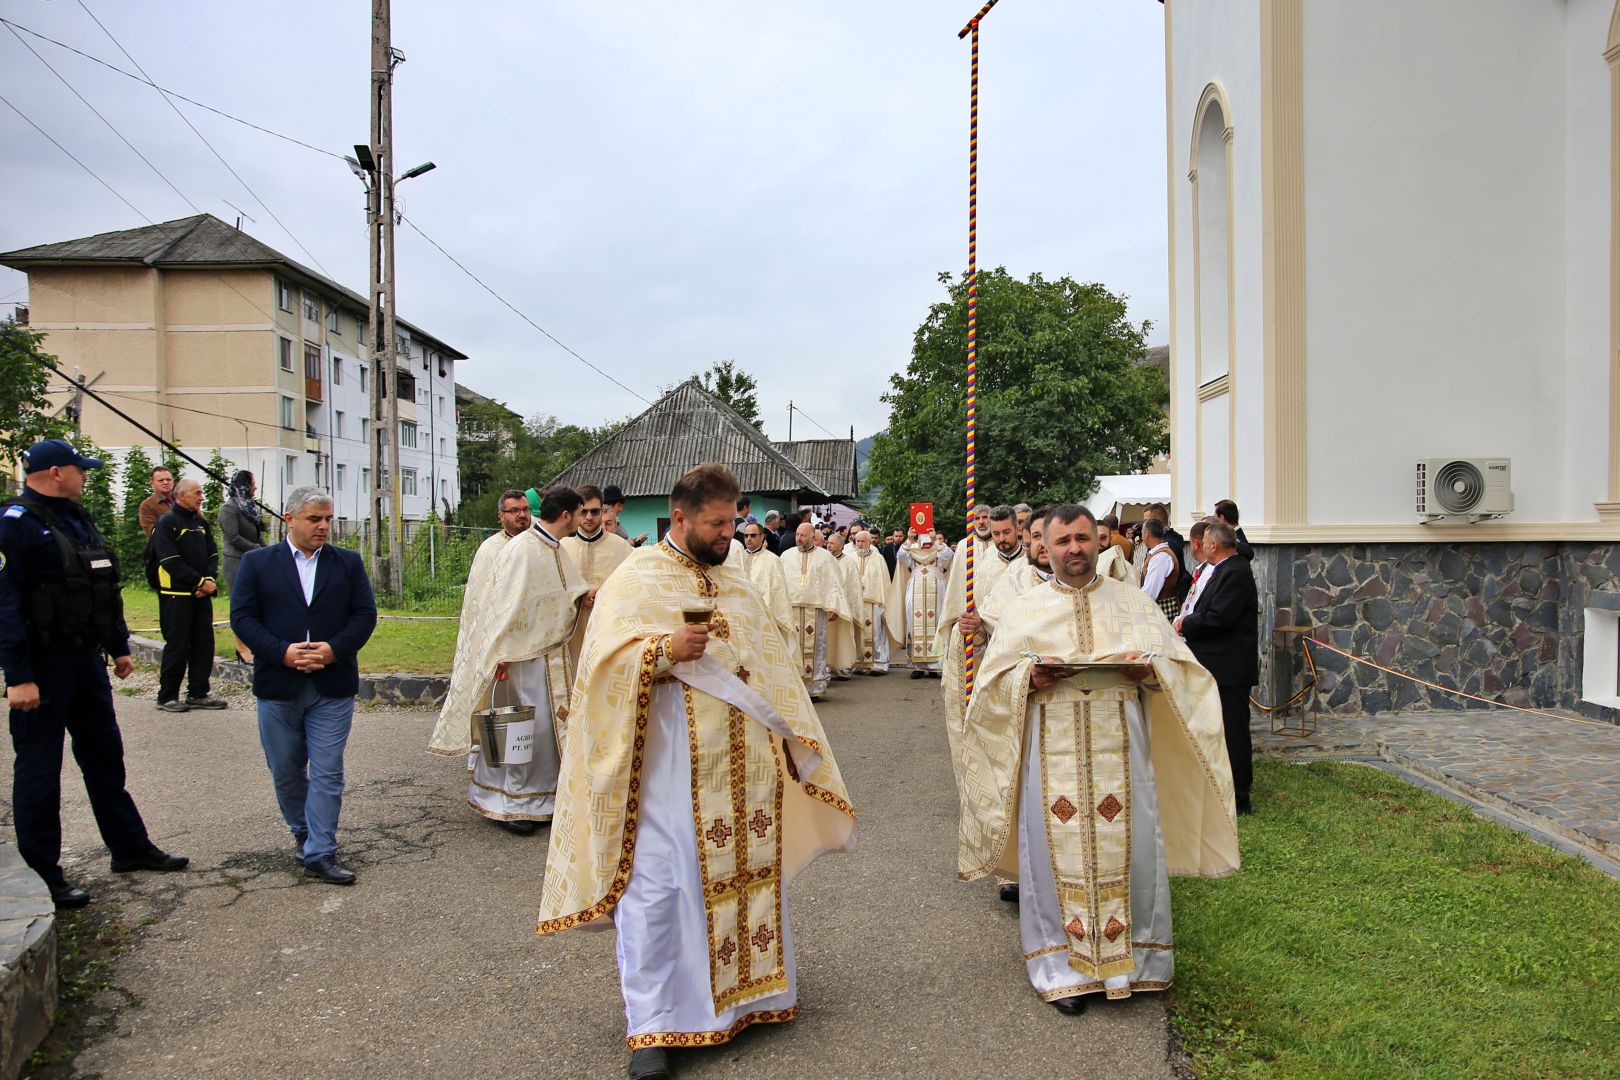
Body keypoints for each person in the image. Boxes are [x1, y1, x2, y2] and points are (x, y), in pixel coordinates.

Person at [537, 464, 856, 1080]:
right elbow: (601, 667)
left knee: (746, 875)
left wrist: (791, 738)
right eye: (716, 522)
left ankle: (749, 999)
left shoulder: (733, 571)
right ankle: (653, 1025)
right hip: (664, 768)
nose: (727, 532)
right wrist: (660, 653)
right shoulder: (638, 576)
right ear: (679, 518)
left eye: (733, 520)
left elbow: (768, 659)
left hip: (744, 766)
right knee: (658, 888)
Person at [959, 504, 1238, 1014]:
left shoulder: (1133, 603)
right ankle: (1062, 968)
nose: (1074, 550)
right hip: (1052, 753)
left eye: (1084, 539)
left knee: (1131, 851)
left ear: (1099, 542)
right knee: (1051, 855)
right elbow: (990, 688)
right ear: (1045, 544)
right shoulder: (1026, 608)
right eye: (1063, 541)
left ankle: (1135, 962)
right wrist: (1029, 678)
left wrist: (1148, 673)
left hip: (1123, 752)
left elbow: (1183, 671)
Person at [1, 439, 189, 909]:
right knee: (40, 771)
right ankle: (42, 874)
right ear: (56, 472)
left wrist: (118, 645)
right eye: (79, 469)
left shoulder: (76, 516)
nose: (86, 475)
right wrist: (17, 675)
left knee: (106, 758)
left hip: (86, 662)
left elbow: (102, 584)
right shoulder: (15, 524)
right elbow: (4, 605)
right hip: (42, 667)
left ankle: (128, 848)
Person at [230, 487, 377, 885]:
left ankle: (321, 851)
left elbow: (364, 615)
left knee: (328, 771)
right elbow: (243, 618)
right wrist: (282, 653)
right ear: (289, 518)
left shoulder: (347, 563)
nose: (324, 526)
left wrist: (333, 650)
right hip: (279, 685)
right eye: (315, 519)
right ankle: (303, 831)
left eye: (328, 519)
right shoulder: (258, 563)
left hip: (332, 685)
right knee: (286, 770)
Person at [432, 487, 588, 833]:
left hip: (547, 655)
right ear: (567, 515)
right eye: (579, 513)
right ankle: (511, 802)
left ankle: (542, 799)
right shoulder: (522, 550)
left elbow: (564, 590)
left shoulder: (552, 546)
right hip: (521, 657)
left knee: (545, 731)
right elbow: (502, 607)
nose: (582, 519)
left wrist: (585, 595)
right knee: (522, 729)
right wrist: (498, 655)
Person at [1175, 520, 1259, 815]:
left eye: (1205, 541)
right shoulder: (1223, 570)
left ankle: (1239, 797)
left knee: (1234, 733)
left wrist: (1187, 623)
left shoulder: (1235, 572)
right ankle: (1219, 788)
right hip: (1217, 665)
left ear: (1213, 544)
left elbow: (1219, 617)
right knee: (1218, 731)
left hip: (1229, 667)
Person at [939, 505, 1026, 785]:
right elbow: (973, 611)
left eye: (1007, 532)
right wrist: (970, 627)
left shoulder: (1031, 565)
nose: (1001, 538)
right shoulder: (983, 563)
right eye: (997, 533)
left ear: (1018, 530)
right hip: (990, 656)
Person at [150, 479, 226, 712]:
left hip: (201, 594)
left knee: (204, 643)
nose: (201, 497)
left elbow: (212, 552)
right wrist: (198, 581)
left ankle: (198, 692)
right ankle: (167, 696)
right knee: (178, 644)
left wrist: (210, 580)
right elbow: (169, 559)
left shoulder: (200, 522)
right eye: (197, 493)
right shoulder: (167, 522)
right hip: (177, 593)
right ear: (181, 495)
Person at [561, 484, 634, 667]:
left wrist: (604, 593)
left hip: (609, 631)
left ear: (602, 511)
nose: (589, 517)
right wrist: (578, 595)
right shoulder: (560, 547)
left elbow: (633, 589)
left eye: (594, 512)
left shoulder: (622, 548)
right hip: (571, 633)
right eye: (583, 511)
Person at [782, 521, 850, 699]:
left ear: (813, 537)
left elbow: (834, 582)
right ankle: (795, 687)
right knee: (792, 647)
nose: (799, 538)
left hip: (816, 609)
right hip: (792, 609)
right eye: (797, 535)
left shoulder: (825, 557)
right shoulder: (786, 556)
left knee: (817, 648)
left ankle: (815, 687)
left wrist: (834, 606)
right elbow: (779, 585)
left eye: (803, 535)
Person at [885, 529, 951, 677]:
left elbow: (949, 556)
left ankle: (935, 665)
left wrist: (935, 541)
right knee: (915, 626)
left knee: (936, 625)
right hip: (915, 592)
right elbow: (900, 556)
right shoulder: (911, 551)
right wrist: (908, 539)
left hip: (937, 593)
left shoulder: (940, 551)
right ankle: (917, 665)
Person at [218, 470, 266, 663]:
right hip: (236, 561)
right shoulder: (229, 509)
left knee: (256, 604)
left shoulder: (250, 507)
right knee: (240, 605)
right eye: (252, 483)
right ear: (244, 484)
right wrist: (257, 549)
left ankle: (255, 643)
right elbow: (233, 537)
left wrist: (269, 550)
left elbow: (256, 534)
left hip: (253, 560)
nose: (255, 486)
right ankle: (241, 648)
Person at [738, 520, 794, 647]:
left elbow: (779, 591)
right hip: (741, 615)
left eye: (753, 535)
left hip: (764, 617)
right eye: (746, 536)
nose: (749, 539)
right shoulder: (738, 557)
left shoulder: (773, 560)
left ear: (762, 537)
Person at [848, 530, 892, 675]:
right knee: (858, 631)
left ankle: (878, 663)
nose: (860, 544)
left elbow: (884, 581)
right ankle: (860, 663)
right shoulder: (851, 558)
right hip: (856, 602)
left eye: (863, 541)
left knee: (876, 632)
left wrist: (883, 601)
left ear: (869, 542)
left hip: (874, 601)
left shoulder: (878, 558)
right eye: (858, 541)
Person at [824, 533, 865, 680]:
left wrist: (847, 606)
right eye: (828, 543)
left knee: (842, 638)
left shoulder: (849, 563)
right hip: (826, 606)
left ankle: (842, 667)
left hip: (843, 608)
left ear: (841, 546)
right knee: (827, 639)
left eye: (832, 543)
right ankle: (827, 666)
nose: (829, 545)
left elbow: (853, 587)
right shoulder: (823, 560)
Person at [1139, 517, 1184, 620]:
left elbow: (1150, 592)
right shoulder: (1158, 554)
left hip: (1162, 611)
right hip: (1160, 609)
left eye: (1142, 532)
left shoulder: (1161, 557)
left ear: (1146, 534)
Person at [136, 465, 176, 537]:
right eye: (161, 480)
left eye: (168, 479)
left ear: (173, 481)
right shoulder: (147, 505)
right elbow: (152, 532)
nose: (165, 482)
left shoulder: (184, 499)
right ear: (152, 484)